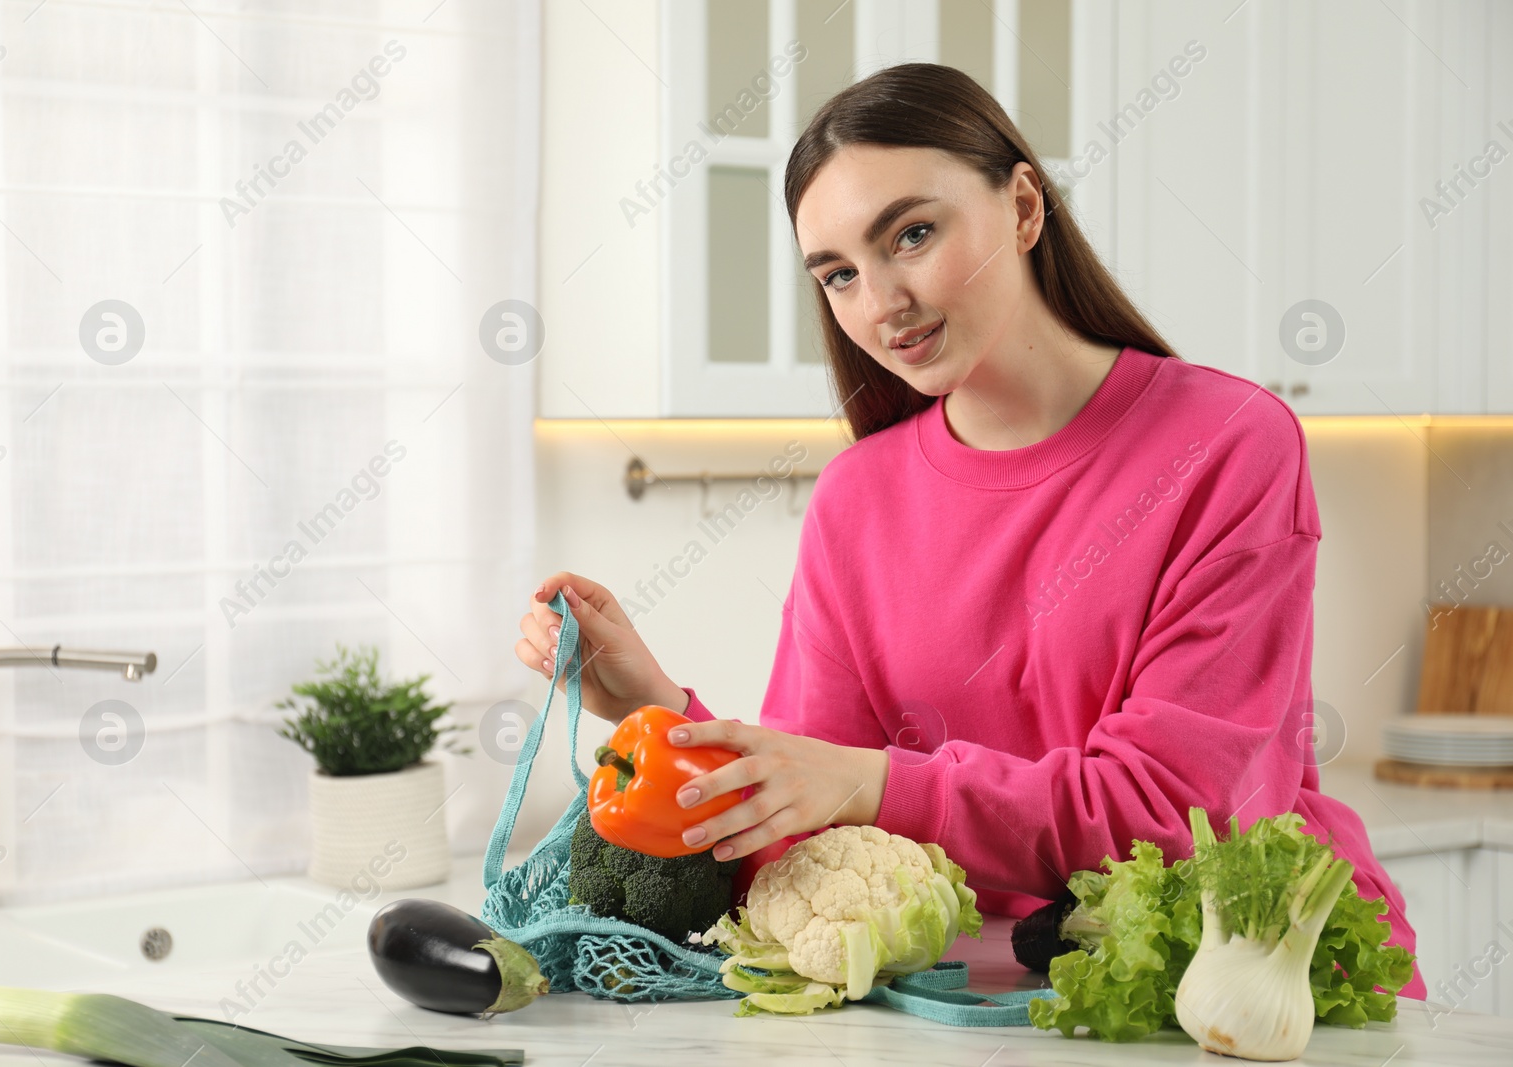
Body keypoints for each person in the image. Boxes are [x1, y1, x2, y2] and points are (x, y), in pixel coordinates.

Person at [514, 63, 1423, 998]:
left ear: (1024, 207)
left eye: (912, 234)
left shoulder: (1228, 444)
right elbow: (815, 836)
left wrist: (878, 782)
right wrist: (657, 713)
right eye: (839, 274)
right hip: (985, 1005)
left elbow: (1174, 815)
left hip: (1249, 984)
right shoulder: (856, 497)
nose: (879, 302)